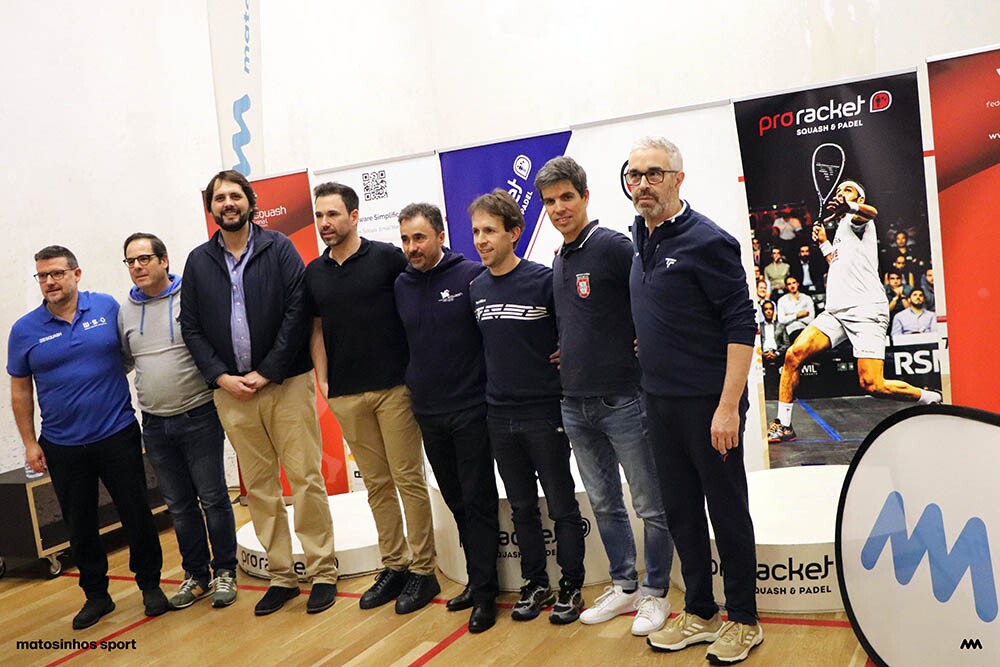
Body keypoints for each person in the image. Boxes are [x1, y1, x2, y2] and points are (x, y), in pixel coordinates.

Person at [626, 137, 763, 664]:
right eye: (634, 174)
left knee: (727, 512)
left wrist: (728, 407)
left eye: (654, 174)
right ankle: (701, 611)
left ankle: (744, 620)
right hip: (658, 404)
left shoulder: (708, 240)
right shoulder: (640, 234)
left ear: (678, 179)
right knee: (682, 512)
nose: (642, 184)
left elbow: (741, 323)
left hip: (709, 406)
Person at [181, 170, 338, 616]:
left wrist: (267, 371)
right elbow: (190, 327)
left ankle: (322, 572)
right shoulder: (198, 261)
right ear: (211, 208)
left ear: (250, 202)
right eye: (219, 198)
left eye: (235, 196)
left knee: (305, 479)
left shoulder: (279, 247)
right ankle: (282, 576)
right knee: (261, 489)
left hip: (285, 384)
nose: (228, 203)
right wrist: (221, 377)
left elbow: (297, 312)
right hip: (232, 394)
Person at [535, 156, 673, 636]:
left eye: (566, 197)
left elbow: (650, 296)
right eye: (549, 201)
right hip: (574, 403)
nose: (558, 208)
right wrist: (568, 347)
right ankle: (624, 585)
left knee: (650, 505)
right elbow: (579, 317)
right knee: (605, 504)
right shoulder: (560, 257)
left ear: (585, 196)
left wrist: (646, 338)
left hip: (623, 400)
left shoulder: (613, 245)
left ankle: (656, 593)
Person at [8, 246, 166, 630]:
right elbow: (20, 390)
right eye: (42, 276)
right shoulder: (24, 330)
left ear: (76, 274)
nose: (49, 282)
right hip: (62, 445)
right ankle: (96, 595)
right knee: (80, 526)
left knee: (136, 514)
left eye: (57, 274)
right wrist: (29, 443)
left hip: (117, 434)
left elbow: (130, 353)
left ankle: (150, 585)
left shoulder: (107, 308)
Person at [305, 182, 439, 615]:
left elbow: (417, 306)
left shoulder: (387, 257)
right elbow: (317, 329)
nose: (325, 223)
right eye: (319, 216)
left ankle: (424, 570)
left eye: (332, 214)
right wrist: (323, 383)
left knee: (407, 480)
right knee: (377, 486)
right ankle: (395, 564)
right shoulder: (314, 272)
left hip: (394, 389)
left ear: (354, 216)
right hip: (345, 395)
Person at [468, 188, 587, 625]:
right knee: (520, 508)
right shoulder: (476, 288)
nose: (481, 240)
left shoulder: (543, 279)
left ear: (514, 232)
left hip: (544, 414)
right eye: (476, 232)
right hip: (499, 416)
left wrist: (566, 351)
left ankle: (571, 586)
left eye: (489, 231)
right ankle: (535, 583)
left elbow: (572, 331)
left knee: (561, 506)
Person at [768, 180, 942, 444]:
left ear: (859, 198)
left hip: (866, 310)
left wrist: (849, 206)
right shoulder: (841, 228)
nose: (841, 193)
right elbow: (837, 263)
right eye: (839, 191)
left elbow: (872, 212)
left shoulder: (858, 220)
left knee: (873, 385)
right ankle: (784, 425)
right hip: (836, 312)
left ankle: (929, 397)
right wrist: (825, 244)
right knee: (793, 355)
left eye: (847, 190)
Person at [393, 202, 499, 632]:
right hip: (428, 412)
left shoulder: (471, 275)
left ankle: (486, 595)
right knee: (457, 502)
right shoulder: (401, 284)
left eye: (419, 238)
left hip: (471, 409)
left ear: (440, 236)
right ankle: (477, 581)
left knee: (478, 502)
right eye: (405, 239)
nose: (412, 247)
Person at [119, 232, 238, 610]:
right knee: (179, 506)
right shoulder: (125, 311)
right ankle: (196, 575)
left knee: (214, 499)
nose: (137, 266)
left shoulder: (191, 297)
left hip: (199, 415)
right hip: (155, 425)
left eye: (144, 259)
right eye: (131, 261)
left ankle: (225, 571)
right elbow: (126, 360)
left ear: (164, 260)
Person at [775, 275, 815, 341]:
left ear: (797, 284)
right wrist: (797, 315)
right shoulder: (782, 300)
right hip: (790, 332)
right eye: (789, 284)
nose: (792, 286)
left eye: (794, 283)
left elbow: (811, 319)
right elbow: (781, 320)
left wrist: (789, 316)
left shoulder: (807, 298)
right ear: (786, 286)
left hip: (805, 330)